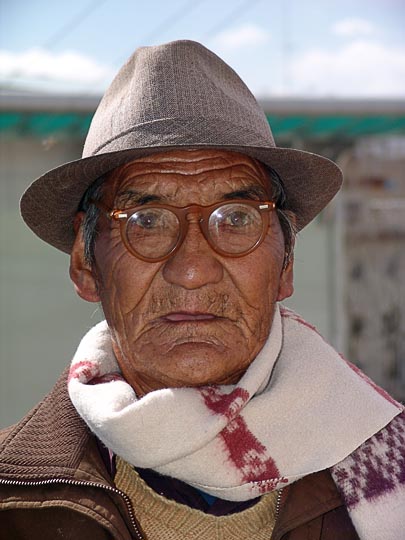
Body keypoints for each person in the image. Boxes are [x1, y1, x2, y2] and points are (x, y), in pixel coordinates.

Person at [0, 40, 403, 540]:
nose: (192, 270)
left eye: (235, 219)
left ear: (286, 264)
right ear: (86, 265)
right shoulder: (14, 499)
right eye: (146, 221)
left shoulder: (386, 470)